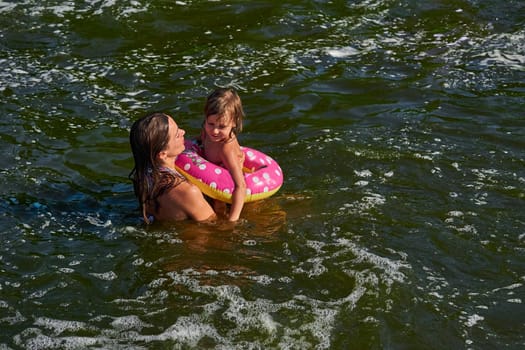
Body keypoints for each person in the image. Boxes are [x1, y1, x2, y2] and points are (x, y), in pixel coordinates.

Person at [129, 112, 216, 224]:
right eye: (177, 135)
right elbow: (213, 225)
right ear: (162, 154)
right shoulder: (188, 191)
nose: (183, 132)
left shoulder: (143, 179)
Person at [200, 87, 247, 222]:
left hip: (226, 180)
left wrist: (233, 220)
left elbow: (240, 186)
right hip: (212, 172)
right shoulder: (206, 130)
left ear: (233, 123)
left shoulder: (226, 148)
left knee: (218, 205)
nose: (214, 131)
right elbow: (199, 141)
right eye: (211, 123)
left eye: (222, 126)